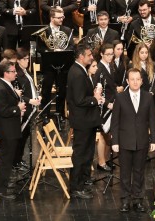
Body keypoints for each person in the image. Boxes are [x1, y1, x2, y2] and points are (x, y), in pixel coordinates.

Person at [111, 68, 155, 212]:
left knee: (139, 172)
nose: (135, 82)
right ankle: (125, 200)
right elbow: (115, 122)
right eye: (132, 79)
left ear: (142, 81)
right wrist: (115, 142)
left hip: (142, 141)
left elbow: (152, 120)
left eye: (138, 79)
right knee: (124, 173)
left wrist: (154, 140)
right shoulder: (120, 97)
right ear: (127, 81)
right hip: (124, 141)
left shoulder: (148, 97)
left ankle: (138, 199)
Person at [67, 44, 102, 199]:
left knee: (87, 153)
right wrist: (95, 99)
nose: (91, 57)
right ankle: (76, 187)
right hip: (82, 121)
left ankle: (84, 180)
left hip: (86, 120)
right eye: (89, 55)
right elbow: (80, 99)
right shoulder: (77, 73)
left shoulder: (80, 71)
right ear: (81, 56)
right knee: (81, 154)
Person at [0, 60, 26, 200]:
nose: (16, 73)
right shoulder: (1, 87)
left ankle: (0, 185)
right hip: (7, 130)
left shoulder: (7, 85)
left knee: (5, 158)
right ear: (6, 73)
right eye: (13, 71)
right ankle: (1, 189)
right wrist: (17, 109)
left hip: (9, 128)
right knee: (5, 160)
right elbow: (3, 110)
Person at [37, 8, 75, 123]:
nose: (61, 19)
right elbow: (39, 48)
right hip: (48, 66)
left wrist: (61, 50)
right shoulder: (43, 31)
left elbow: (72, 47)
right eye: (59, 18)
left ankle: (60, 113)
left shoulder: (67, 30)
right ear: (52, 18)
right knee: (46, 91)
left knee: (62, 91)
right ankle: (45, 114)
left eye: (62, 17)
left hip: (63, 66)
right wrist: (52, 51)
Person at [12, 48, 41, 172]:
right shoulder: (16, 74)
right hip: (24, 109)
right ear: (18, 60)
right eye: (25, 59)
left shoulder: (25, 71)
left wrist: (37, 96)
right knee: (21, 136)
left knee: (25, 136)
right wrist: (30, 100)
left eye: (28, 58)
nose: (27, 61)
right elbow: (15, 94)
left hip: (31, 107)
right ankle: (15, 161)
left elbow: (30, 87)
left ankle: (19, 159)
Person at [94, 43, 117, 172]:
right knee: (103, 134)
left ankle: (106, 160)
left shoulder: (110, 66)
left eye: (111, 54)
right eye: (107, 54)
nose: (110, 56)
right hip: (104, 106)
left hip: (111, 104)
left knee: (108, 134)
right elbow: (97, 91)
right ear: (102, 54)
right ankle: (101, 162)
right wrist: (107, 103)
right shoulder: (99, 69)